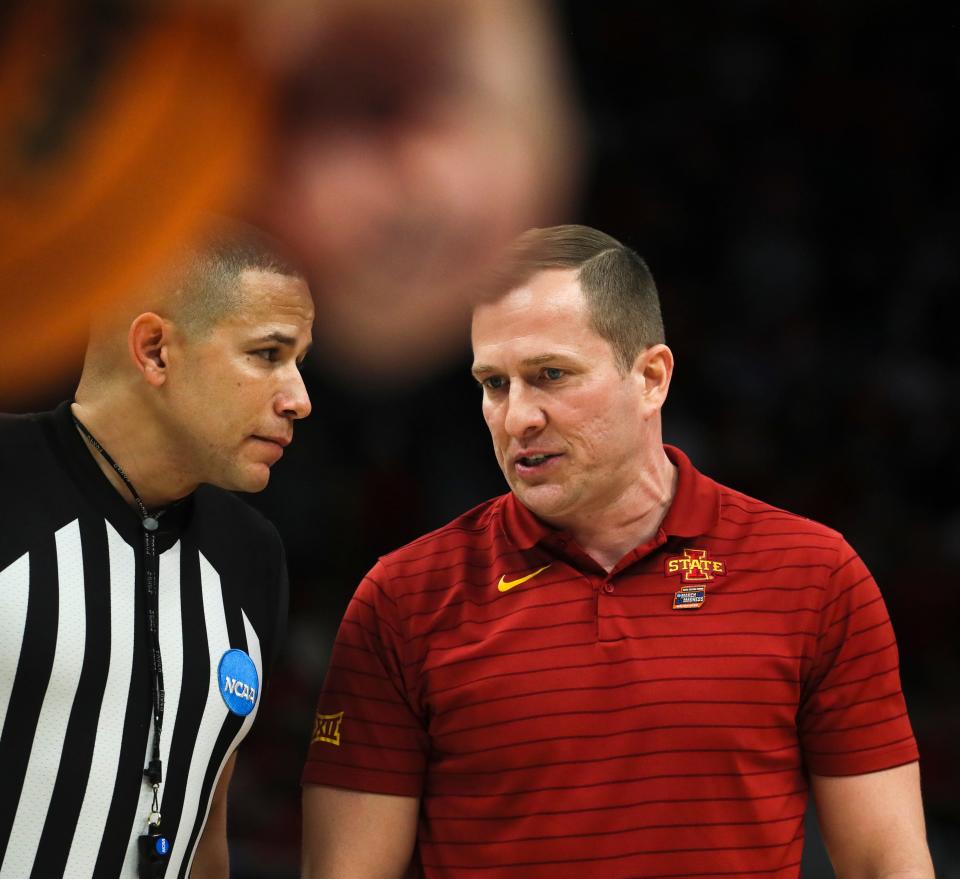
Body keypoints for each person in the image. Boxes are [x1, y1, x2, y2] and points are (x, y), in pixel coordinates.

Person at [301, 225, 933, 878]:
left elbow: (887, 863)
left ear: (652, 377)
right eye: (494, 383)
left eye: (550, 375)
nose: (517, 417)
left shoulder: (815, 575)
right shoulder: (402, 597)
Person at [0, 222, 313, 879]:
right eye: (266, 354)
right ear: (155, 349)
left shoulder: (251, 557)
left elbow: (206, 832)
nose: (299, 399)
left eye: (300, 361)